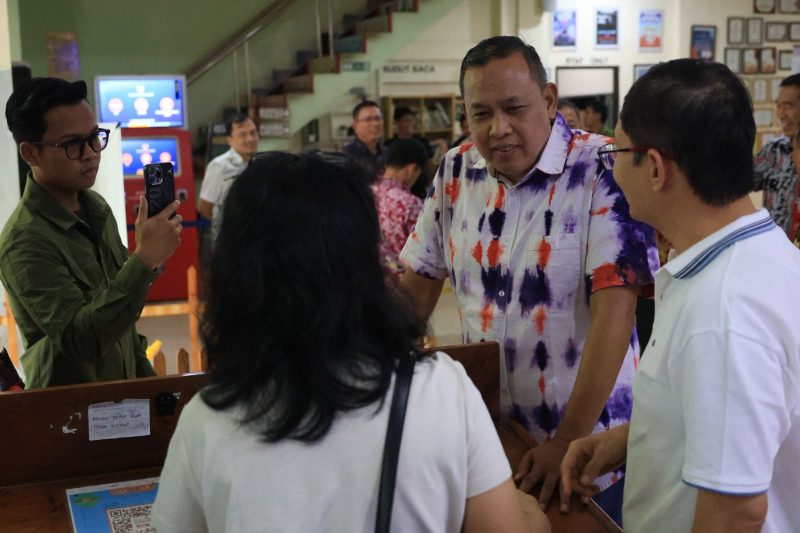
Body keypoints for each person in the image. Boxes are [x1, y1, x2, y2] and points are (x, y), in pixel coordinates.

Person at [151, 151, 548, 533]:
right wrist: (531, 516)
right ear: (363, 262)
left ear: (234, 276)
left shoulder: (207, 418)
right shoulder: (442, 391)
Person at [398, 35, 658, 510]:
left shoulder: (604, 170)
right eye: (481, 114)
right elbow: (414, 291)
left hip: (590, 452)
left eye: (514, 108)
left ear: (549, 100)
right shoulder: (456, 172)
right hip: (493, 442)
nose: (499, 129)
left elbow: (616, 317)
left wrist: (567, 441)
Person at [561, 59, 800, 532]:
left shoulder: (722, 310)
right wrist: (638, 437)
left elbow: (734, 514)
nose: (613, 168)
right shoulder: (759, 254)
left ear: (654, 168)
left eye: (617, 152)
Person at [0, 78, 182, 387]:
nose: (91, 153)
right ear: (30, 153)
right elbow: (80, 342)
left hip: (123, 398)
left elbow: (123, 324)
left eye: (94, 137)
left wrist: (151, 388)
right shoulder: (24, 240)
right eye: (72, 144)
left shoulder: (96, 208)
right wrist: (144, 260)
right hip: (70, 407)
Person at [197, 113, 259, 242]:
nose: (250, 139)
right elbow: (204, 207)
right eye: (242, 134)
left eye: (253, 133)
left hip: (255, 238)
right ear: (229, 140)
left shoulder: (259, 163)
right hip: (230, 240)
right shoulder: (219, 166)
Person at [373, 139, 429, 277]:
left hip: (373, 279)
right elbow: (425, 253)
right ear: (412, 169)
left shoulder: (367, 193)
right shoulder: (410, 203)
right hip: (405, 281)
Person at [754, 73, 800, 237]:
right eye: (778, 106)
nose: (780, 114)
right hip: (775, 248)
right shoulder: (774, 151)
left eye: (787, 105)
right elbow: (737, 182)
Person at [341, 100, 388, 183]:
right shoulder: (346, 155)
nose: (375, 124)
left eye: (378, 118)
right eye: (368, 119)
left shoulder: (387, 152)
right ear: (355, 126)